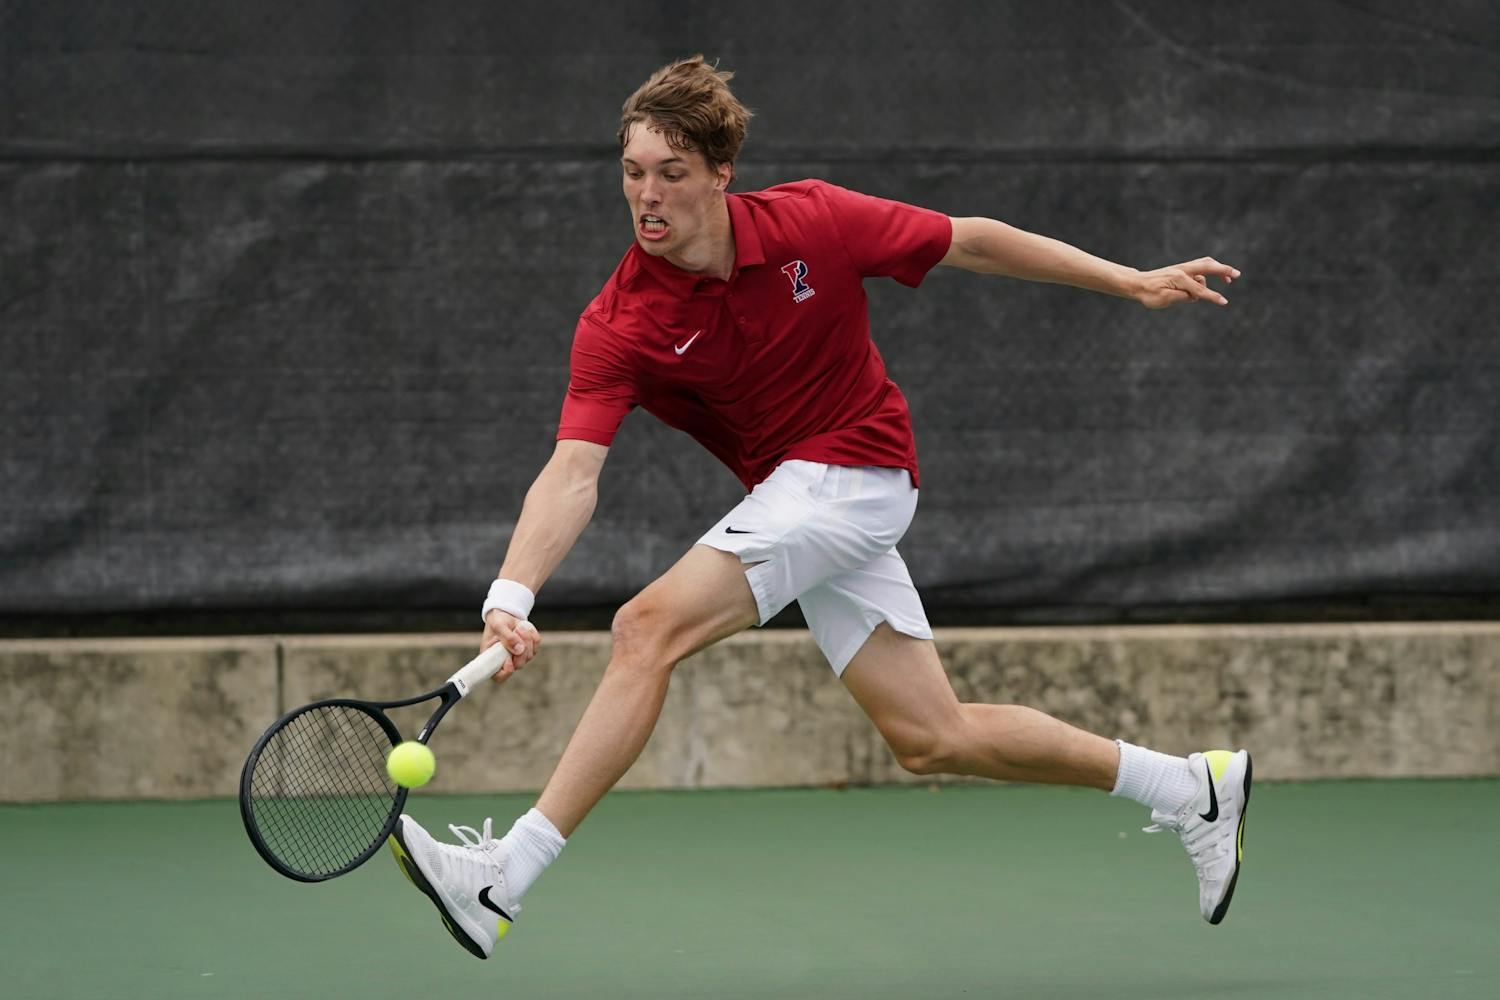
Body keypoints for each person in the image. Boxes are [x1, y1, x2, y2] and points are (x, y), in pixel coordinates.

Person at [386, 55, 1250, 960]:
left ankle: (503, 877)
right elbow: (573, 470)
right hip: (800, 498)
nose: (648, 195)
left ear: (721, 174)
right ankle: (1192, 787)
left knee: (645, 629)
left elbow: (971, 241)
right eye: (633, 172)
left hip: (859, 468)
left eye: (672, 173)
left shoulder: (814, 220)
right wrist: (512, 594)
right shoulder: (620, 321)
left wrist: (1129, 279)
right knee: (932, 737)